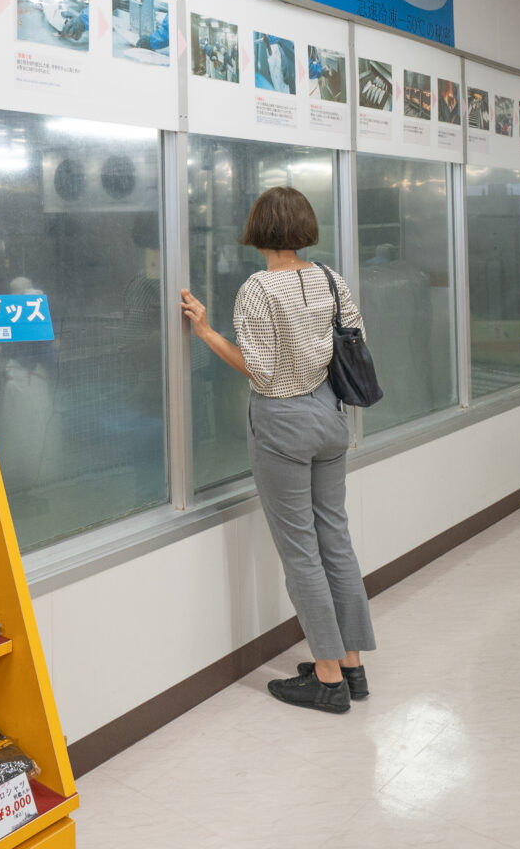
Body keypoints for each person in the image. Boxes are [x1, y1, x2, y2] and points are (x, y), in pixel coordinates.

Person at [179, 186, 375, 714]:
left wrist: (205, 331)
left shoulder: (258, 289)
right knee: (335, 540)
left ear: (258, 229)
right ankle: (351, 666)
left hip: (283, 423)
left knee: (300, 551)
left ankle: (327, 680)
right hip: (330, 417)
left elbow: (261, 371)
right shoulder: (330, 278)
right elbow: (354, 340)